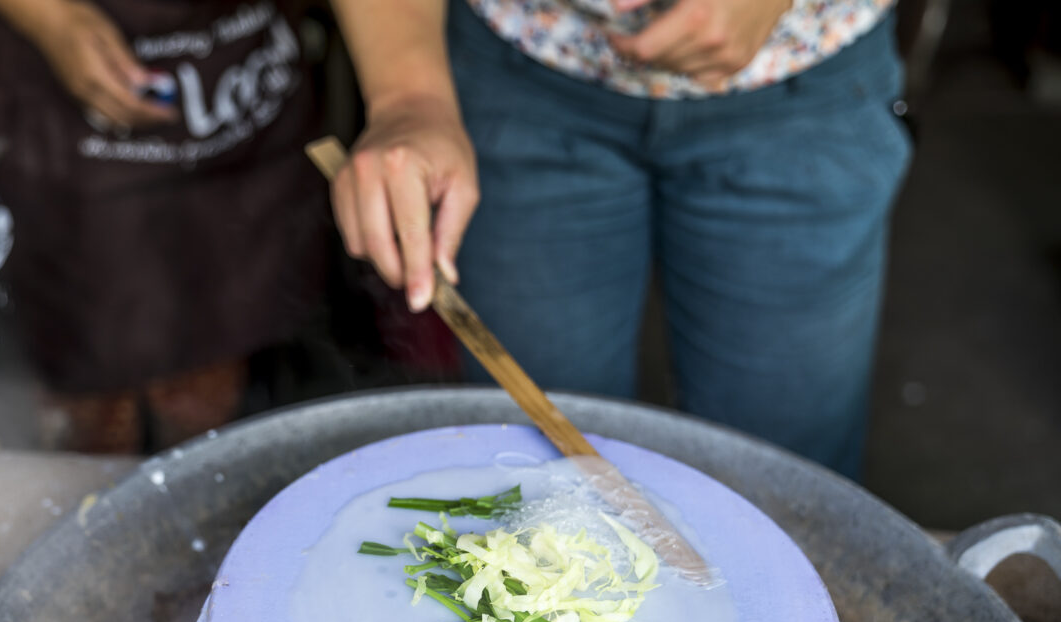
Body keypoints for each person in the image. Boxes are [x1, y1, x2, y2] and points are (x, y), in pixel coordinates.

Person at [326, 0, 912, 479]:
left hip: (804, 81)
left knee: (787, 481)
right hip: (523, 70)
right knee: (535, 470)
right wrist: (409, 98)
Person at [0, 0, 329, 452]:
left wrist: (404, 99)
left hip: (234, 71)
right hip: (29, 74)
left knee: (209, 361)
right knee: (66, 404)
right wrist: (51, 18)